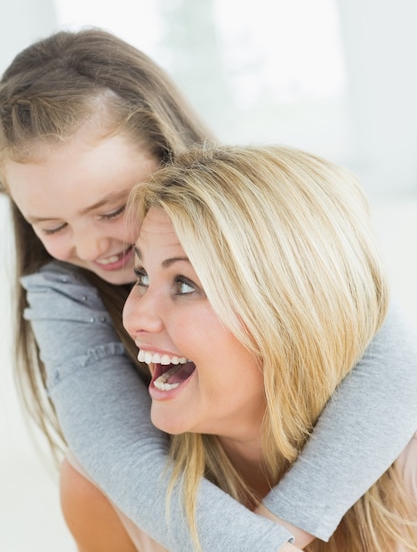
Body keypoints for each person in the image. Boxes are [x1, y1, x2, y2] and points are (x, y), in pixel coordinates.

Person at [0, 28, 416, 551]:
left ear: (170, 157)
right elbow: (115, 451)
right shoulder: (64, 296)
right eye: (52, 226)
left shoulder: (273, 236)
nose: (91, 246)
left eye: (111, 210)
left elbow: (390, 354)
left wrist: (287, 522)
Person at [121, 143, 417, 552]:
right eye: (141, 276)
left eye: (185, 284)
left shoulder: (407, 478)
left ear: (290, 313)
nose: (135, 318)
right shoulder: (103, 494)